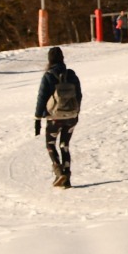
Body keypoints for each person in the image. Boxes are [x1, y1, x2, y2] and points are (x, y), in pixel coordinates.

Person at [34, 46, 82, 188]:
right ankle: (67, 177)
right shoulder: (71, 75)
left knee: (50, 144)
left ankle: (59, 172)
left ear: (50, 60)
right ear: (62, 59)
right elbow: (79, 95)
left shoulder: (48, 76)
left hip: (54, 117)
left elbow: (42, 98)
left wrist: (37, 118)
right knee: (64, 145)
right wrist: (76, 111)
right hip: (71, 116)